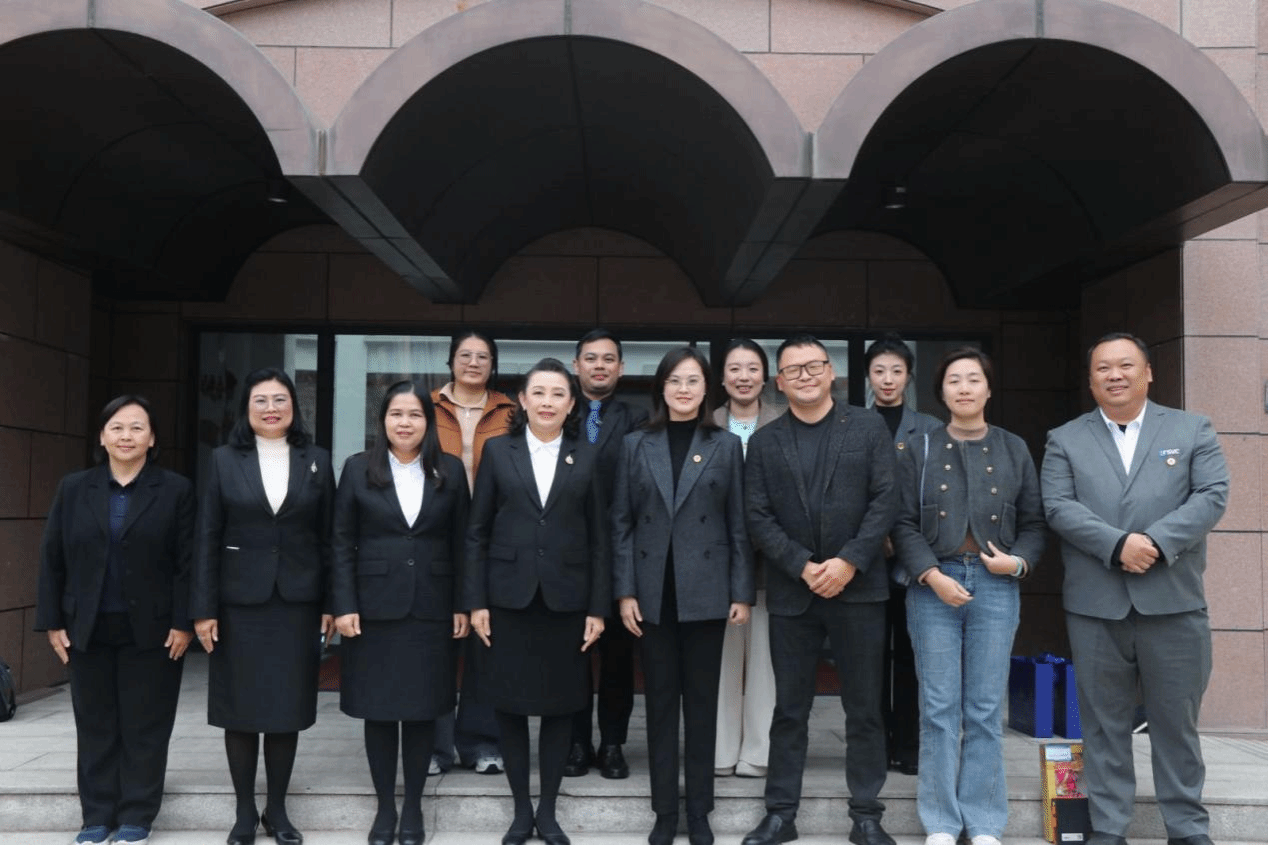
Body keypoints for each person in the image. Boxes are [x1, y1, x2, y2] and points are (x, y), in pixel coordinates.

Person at [1041, 332, 1229, 845]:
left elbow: (1212, 495)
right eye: (1103, 368)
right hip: (1096, 605)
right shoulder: (1065, 438)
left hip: (1174, 601)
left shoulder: (1191, 428)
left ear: (1148, 373)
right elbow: (1058, 506)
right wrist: (1117, 544)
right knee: (1103, 724)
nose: (1115, 375)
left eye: (1126, 365)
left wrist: (1155, 542)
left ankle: (1186, 828)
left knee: (1177, 723)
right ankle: (1108, 827)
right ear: (1091, 380)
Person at [741, 334, 899, 845]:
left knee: (864, 708)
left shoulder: (868, 427)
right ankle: (780, 814)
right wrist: (802, 566)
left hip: (860, 590)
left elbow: (885, 501)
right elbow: (757, 515)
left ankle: (867, 815)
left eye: (814, 366)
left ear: (832, 372)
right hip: (793, 592)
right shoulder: (764, 442)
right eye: (794, 370)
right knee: (790, 709)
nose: (805, 376)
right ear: (779, 382)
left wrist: (849, 561)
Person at [892, 348, 1046, 845]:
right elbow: (901, 522)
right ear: (940, 392)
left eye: (973, 379)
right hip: (932, 586)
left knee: (983, 708)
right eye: (954, 380)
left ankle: (983, 822)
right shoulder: (919, 448)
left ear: (988, 388)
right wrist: (930, 574)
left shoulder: (1012, 448)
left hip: (996, 584)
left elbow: (1035, 522)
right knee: (938, 707)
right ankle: (940, 821)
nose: (963, 387)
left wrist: (1016, 563)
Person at [35, 395, 195, 845]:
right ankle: (96, 816)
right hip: (86, 625)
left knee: (146, 725)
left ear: (153, 438)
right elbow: (52, 557)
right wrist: (52, 621)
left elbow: (188, 563)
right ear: (102, 436)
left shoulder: (176, 490)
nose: (127, 436)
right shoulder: (74, 488)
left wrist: (184, 621)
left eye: (137, 428)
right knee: (95, 723)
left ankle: (137, 815)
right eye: (117, 427)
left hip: (155, 628)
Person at [613, 347, 754, 845]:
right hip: (652, 594)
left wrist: (742, 591)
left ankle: (699, 811)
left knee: (700, 705)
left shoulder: (725, 445)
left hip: (706, 591)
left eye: (693, 381)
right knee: (659, 705)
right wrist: (625, 591)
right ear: (661, 388)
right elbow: (621, 524)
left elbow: (738, 524)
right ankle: (664, 812)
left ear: (706, 389)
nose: (684, 389)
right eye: (674, 380)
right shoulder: (635, 444)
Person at [465, 358, 609, 845]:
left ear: (571, 404)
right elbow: (477, 531)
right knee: (509, 707)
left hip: (566, 601)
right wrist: (476, 600)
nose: (548, 402)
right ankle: (520, 811)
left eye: (558, 394)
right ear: (523, 400)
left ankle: (547, 811)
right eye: (539, 393)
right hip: (507, 599)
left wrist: (597, 608)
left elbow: (600, 539)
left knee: (559, 708)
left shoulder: (587, 455)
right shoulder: (497, 451)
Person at [191, 367, 335, 845]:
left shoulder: (317, 459)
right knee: (240, 707)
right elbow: (207, 535)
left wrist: (331, 601)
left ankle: (277, 808)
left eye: (280, 399)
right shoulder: (223, 460)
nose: (271, 408)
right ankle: (243, 811)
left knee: (285, 706)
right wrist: (203, 609)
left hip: (297, 601)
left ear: (294, 406)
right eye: (261, 400)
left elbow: (329, 537)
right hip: (239, 603)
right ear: (246, 408)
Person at [331, 381, 471, 845]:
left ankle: (412, 806)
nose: (405, 423)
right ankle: (385, 808)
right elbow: (340, 542)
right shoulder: (357, 469)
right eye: (396, 414)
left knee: (421, 710)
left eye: (414, 415)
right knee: (379, 710)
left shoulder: (449, 470)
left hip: (432, 607)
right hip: (373, 610)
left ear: (428, 423)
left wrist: (462, 604)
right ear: (383, 421)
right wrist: (344, 605)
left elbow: (463, 543)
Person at [430, 330, 516, 775]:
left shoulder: (511, 411)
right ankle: (434, 746)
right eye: (465, 355)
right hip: (437, 532)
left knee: (487, 640)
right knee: (436, 640)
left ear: (493, 364)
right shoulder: (426, 407)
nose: (474, 362)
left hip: (493, 535)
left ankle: (482, 742)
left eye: (483, 356)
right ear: (450, 361)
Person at [565, 328, 649, 779]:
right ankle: (576, 742)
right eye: (591, 358)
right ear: (576, 364)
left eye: (608, 359)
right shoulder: (558, 409)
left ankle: (613, 743)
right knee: (573, 652)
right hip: (567, 551)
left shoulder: (638, 417)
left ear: (621, 367)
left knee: (617, 656)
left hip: (619, 550)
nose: (600, 366)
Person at [865, 334, 942, 777]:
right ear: (868, 376)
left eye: (896, 371)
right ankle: (876, 745)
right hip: (867, 560)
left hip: (914, 560)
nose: (887, 379)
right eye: (879, 371)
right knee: (871, 656)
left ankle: (910, 746)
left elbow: (934, 495)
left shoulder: (929, 428)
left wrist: (901, 537)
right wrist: (875, 537)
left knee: (912, 656)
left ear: (909, 376)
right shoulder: (853, 422)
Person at [712, 339, 780, 779]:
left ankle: (758, 752)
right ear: (722, 378)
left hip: (770, 560)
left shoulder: (783, 421)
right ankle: (719, 751)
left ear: (765, 376)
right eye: (734, 368)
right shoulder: (706, 422)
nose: (743, 376)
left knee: (764, 660)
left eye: (752, 368)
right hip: (716, 559)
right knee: (721, 660)